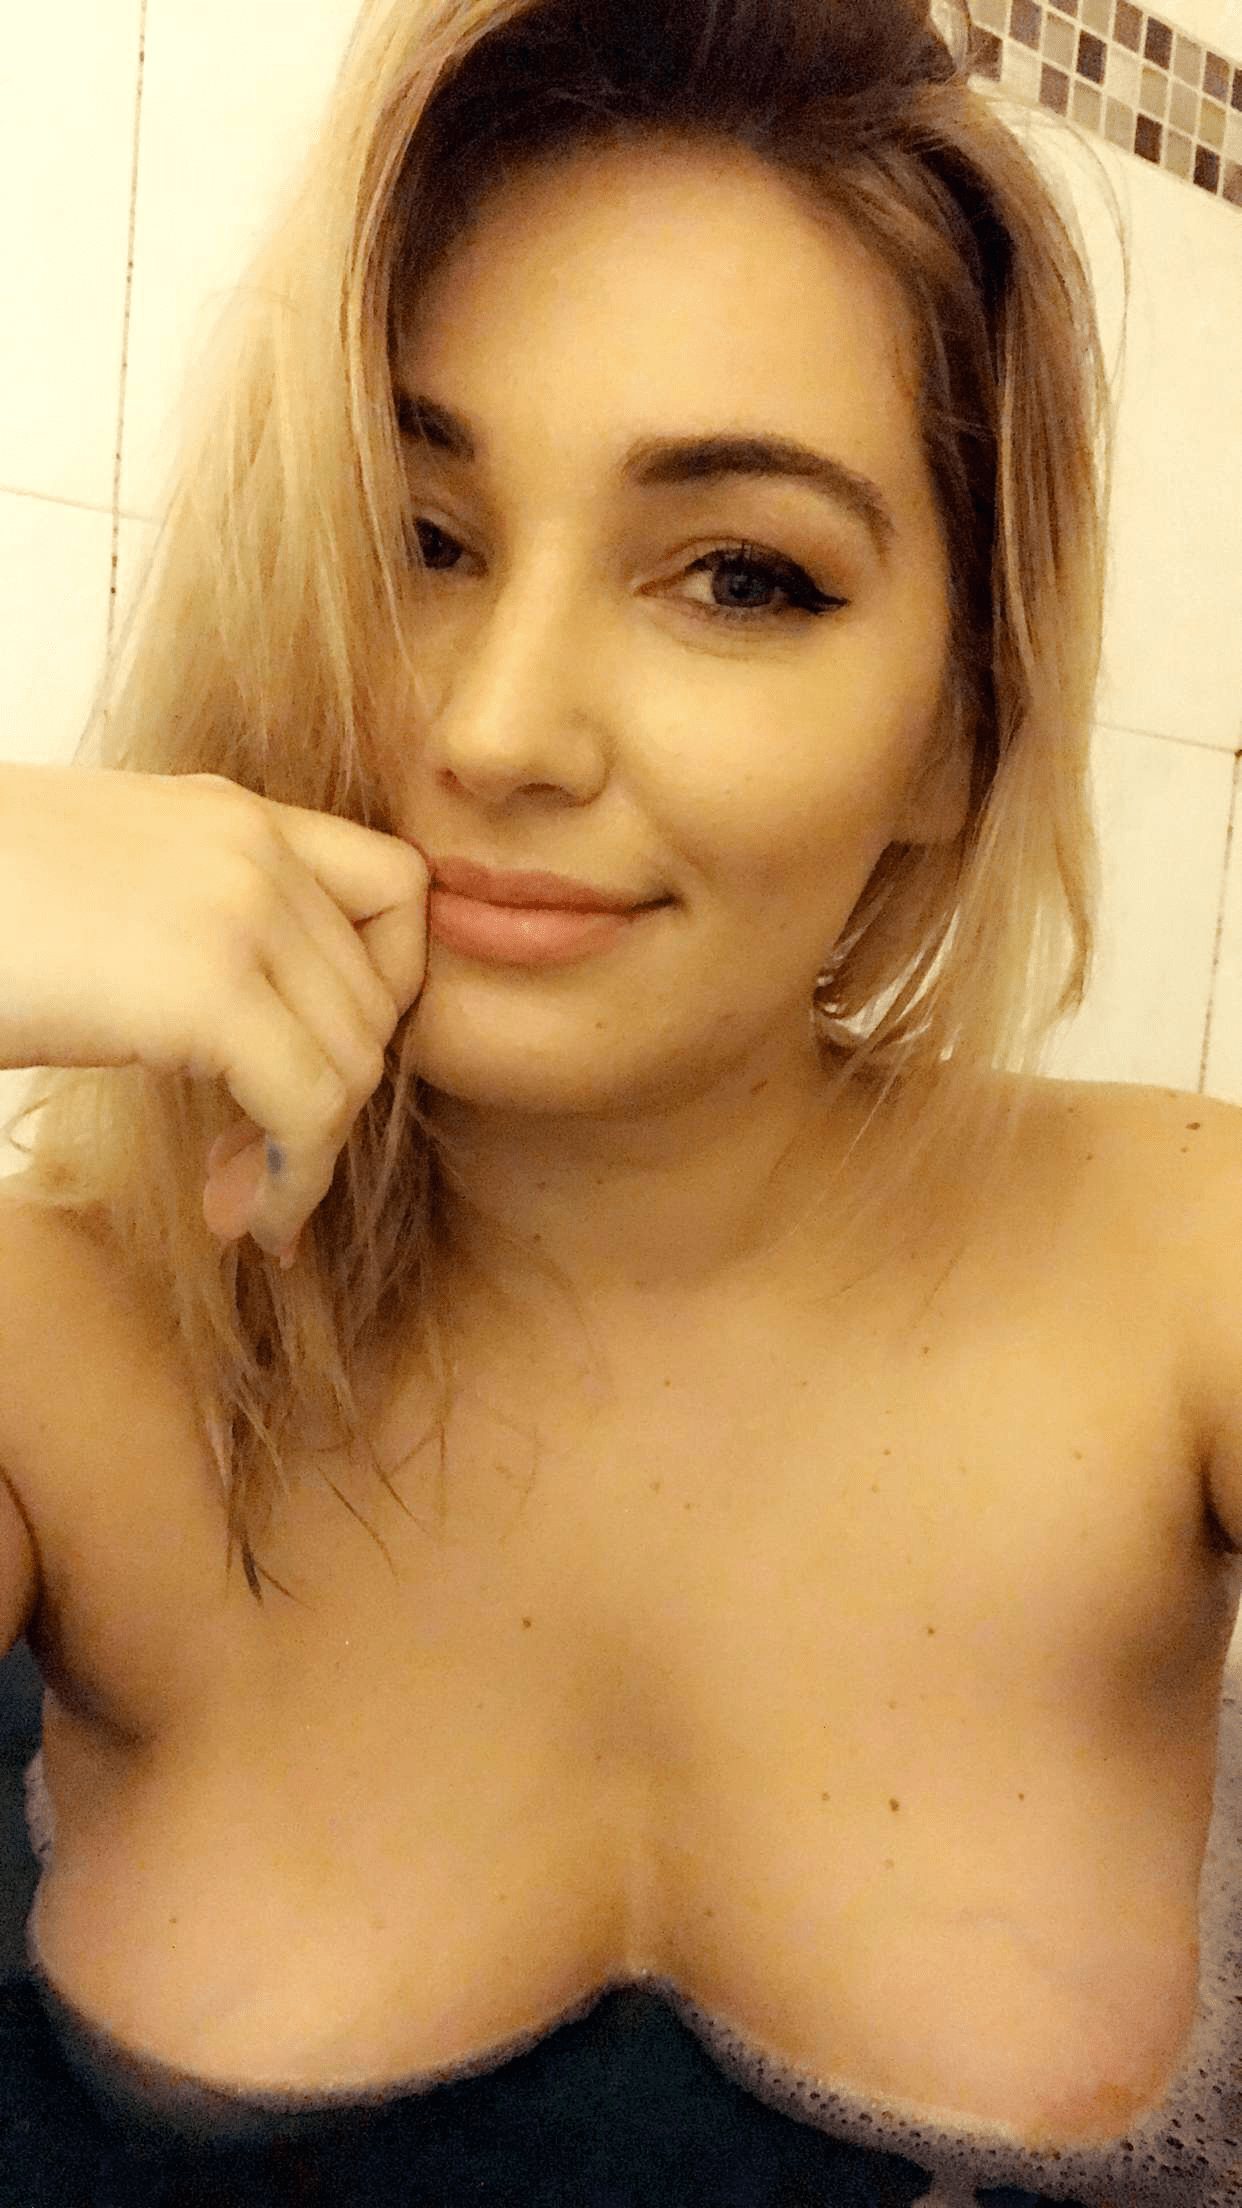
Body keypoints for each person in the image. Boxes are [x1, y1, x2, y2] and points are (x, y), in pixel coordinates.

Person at [0, 0, 1239, 2200]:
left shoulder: (1183, 1281)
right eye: (418, 533)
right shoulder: (59, 1351)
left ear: (958, 727)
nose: (500, 730)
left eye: (738, 576)